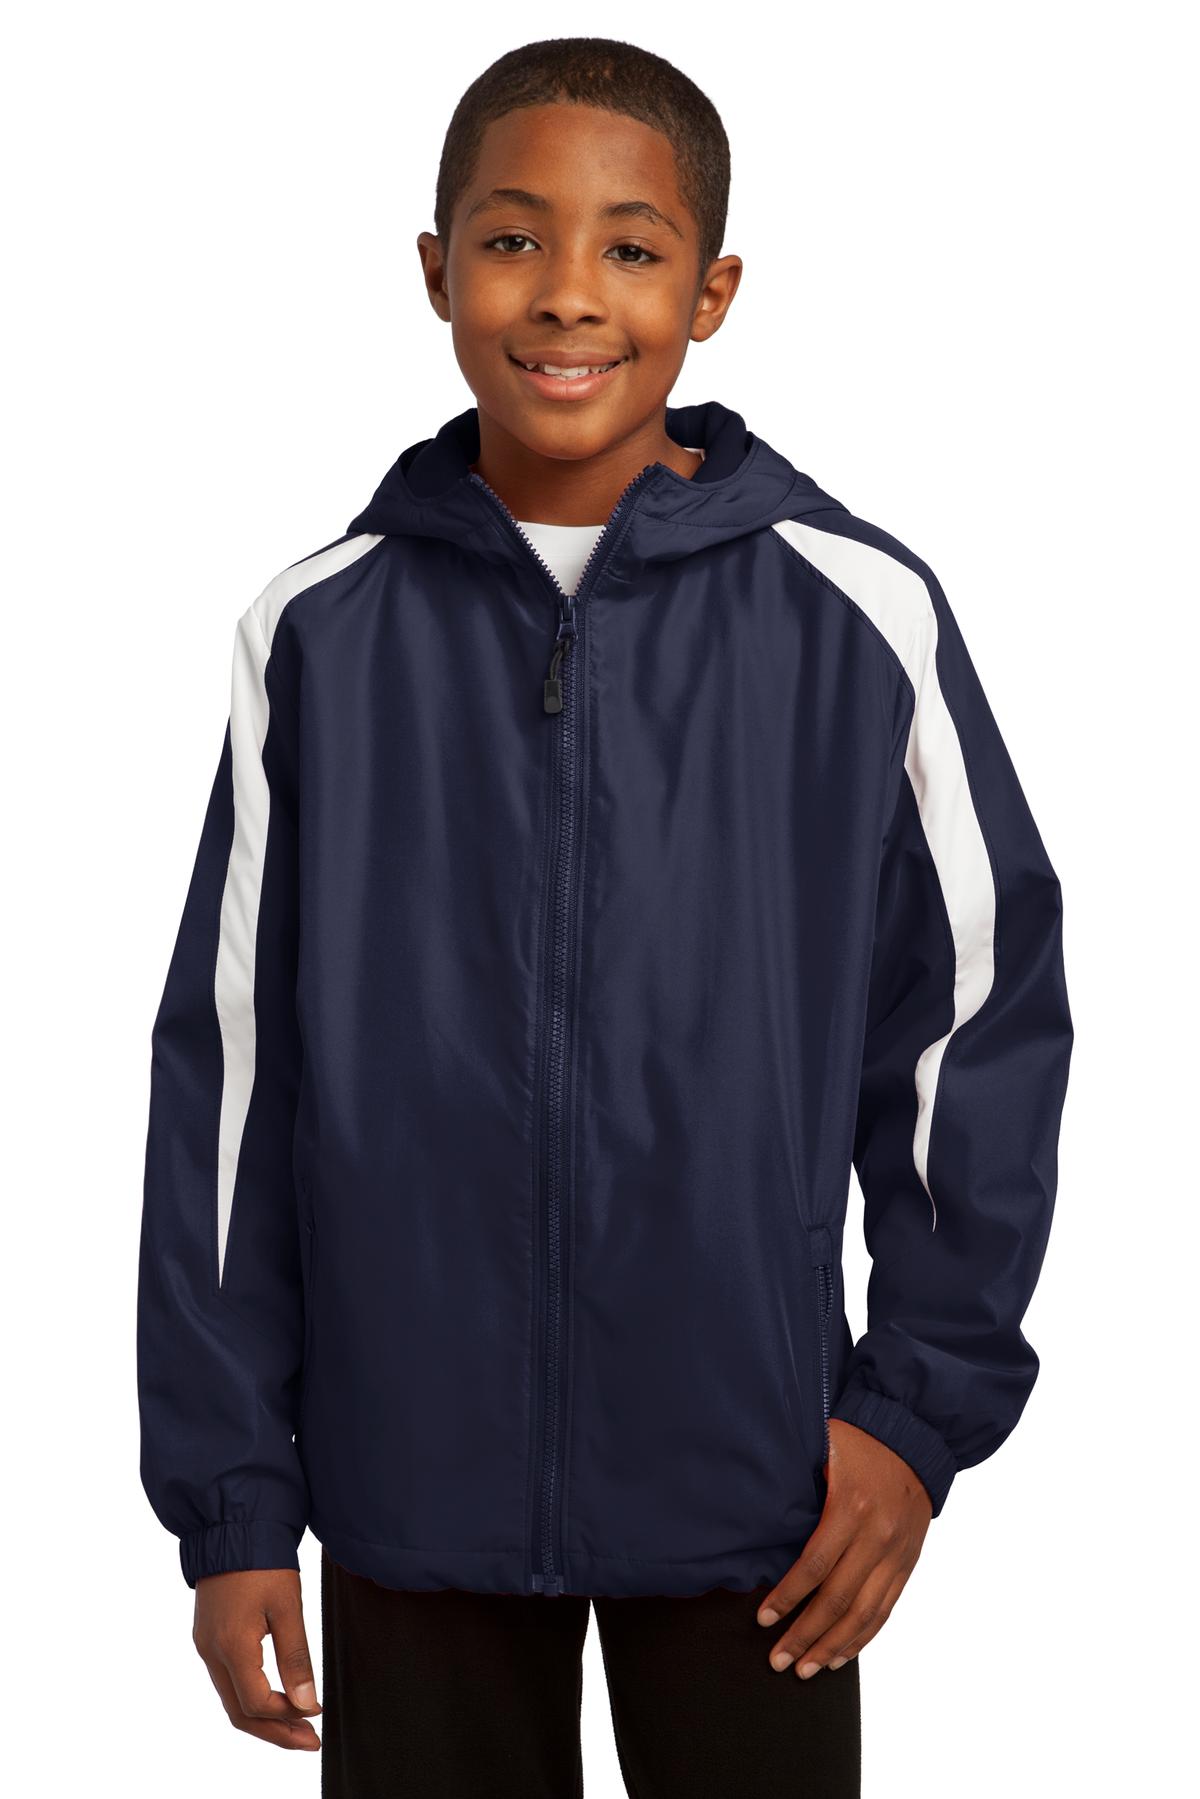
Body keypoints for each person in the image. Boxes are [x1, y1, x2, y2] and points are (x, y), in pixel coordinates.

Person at [136, 35, 1074, 1799]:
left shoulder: (854, 615)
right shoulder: (322, 634)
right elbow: (231, 1085)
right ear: (436, 270)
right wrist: (233, 1500)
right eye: (514, 240)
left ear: (711, 293)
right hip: (409, 1484)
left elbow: (975, 1020)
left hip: (757, 1492)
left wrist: (910, 1413)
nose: (569, 293)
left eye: (631, 249)